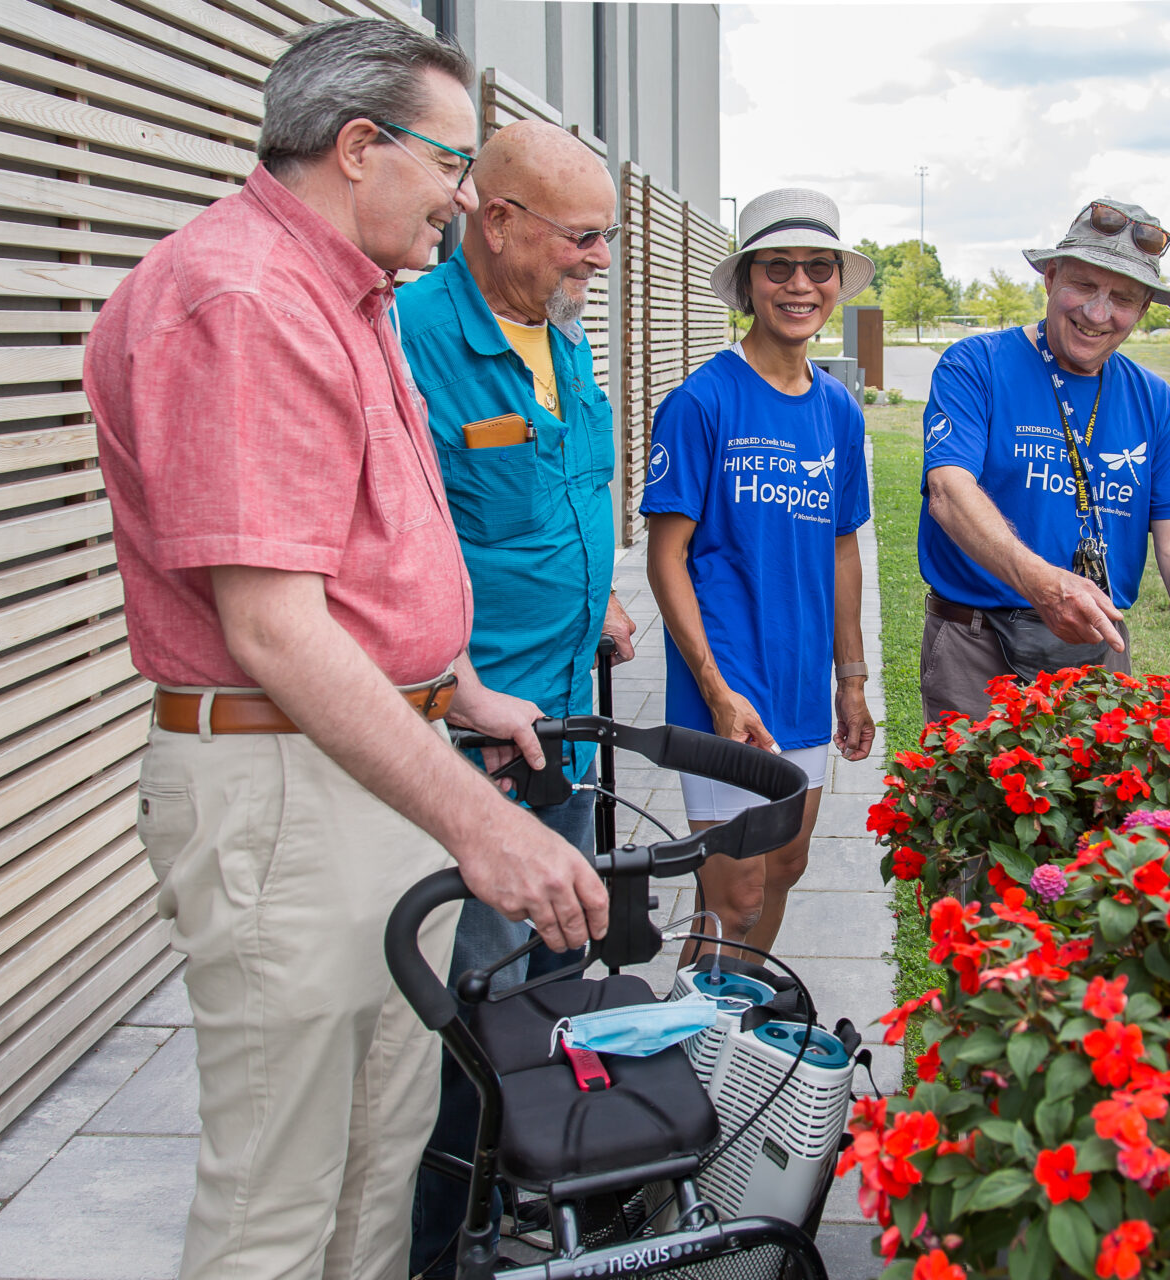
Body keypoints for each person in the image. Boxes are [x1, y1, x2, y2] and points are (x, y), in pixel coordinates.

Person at [84, 20, 607, 1280]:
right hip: (288, 792)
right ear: (360, 146)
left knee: (380, 1152)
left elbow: (358, 560)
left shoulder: (347, 289)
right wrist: (483, 825)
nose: (465, 198)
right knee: (279, 1192)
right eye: (451, 163)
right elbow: (271, 625)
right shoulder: (245, 298)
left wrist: (462, 687)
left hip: (370, 763)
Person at [390, 118, 633, 1273]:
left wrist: (603, 609)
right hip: (475, 741)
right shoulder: (413, 340)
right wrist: (463, 696)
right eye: (582, 237)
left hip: (562, 726)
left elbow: (557, 492)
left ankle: (520, 1189)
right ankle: (442, 1239)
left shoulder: (558, 329)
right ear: (497, 222)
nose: (598, 258)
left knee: (547, 979)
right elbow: (393, 551)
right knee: (468, 1009)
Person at [640, 188, 876, 965]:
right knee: (732, 896)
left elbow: (844, 547)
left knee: (787, 865)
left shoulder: (839, 410)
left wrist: (850, 679)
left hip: (804, 683)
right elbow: (664, 557)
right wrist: (713, 688)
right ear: (747, 284)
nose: (800, 285)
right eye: (778, 268)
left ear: (838, 281)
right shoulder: (700, 402)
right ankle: (695, 1054)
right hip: (729, 687)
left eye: (818, 268)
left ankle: (734, 1030)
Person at [917, 199, 1170, 722]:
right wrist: (1043, 583)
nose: (1097, 313)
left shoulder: (1153, 400)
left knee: (1098, 802)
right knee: (971, 803)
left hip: (1098, 648)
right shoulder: (976, 365)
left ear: (1144, 309)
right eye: (1083, 286)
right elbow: (949, 493)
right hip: (977, 646)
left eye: (1123, 298)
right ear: (1049, 276)